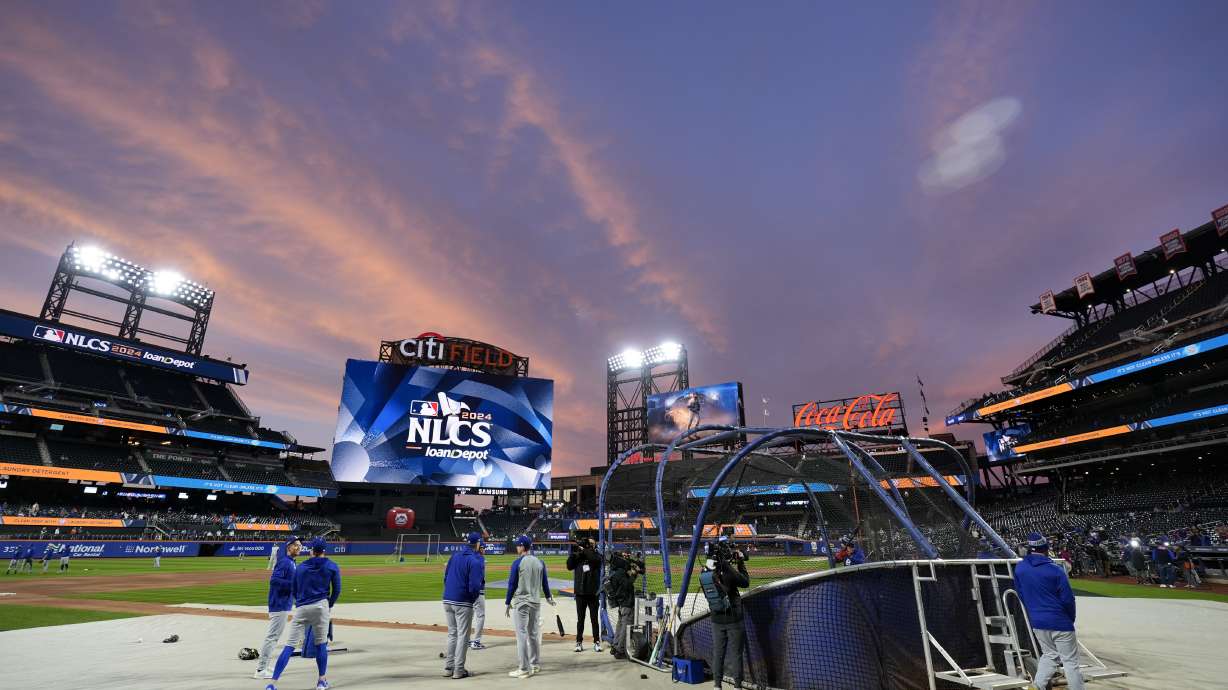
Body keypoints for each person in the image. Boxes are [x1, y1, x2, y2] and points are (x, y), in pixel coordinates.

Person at [266, 537, 340, 690]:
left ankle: (272, 683)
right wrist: (329, 604)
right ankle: (321, 681)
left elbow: (294, 588)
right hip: (321, 607)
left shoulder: (300, 567)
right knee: (321, 646)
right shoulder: (332, 566)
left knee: (289, 646)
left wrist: (299, 602)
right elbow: (337, 590)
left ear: (311, 550)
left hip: (302, 608)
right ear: (324, 550)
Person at [1014, 533, 1083, 690]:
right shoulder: (1056, 570)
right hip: (1060, 621)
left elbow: (1021, 594)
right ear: (1045, 549)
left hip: (1038, 621)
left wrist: (1034, 612)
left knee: (1050, 655)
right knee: (1070, 662)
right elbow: (1068, 600)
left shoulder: (1020, 568)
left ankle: (1036, 686)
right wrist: (1070, 619)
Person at [505, 535, 556, 679]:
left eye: (518, 545)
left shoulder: (517, 562)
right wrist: (548, 598)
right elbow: (545, 583)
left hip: (522, 602)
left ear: (522, 546)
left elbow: (512, 585)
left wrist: (508, 602)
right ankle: (534, 664)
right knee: (533, 635)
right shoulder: (540, 562)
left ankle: (524, 668)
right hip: (535, 602)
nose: (516, 547)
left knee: (521, 635)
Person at [704, 538, 749, 690]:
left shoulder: (706, 571)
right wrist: (741, 563)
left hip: (716, 619)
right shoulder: (727, 569)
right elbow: (745, 582)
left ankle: (717, 685)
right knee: (736, 654)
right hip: (733, 619)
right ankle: (737, 686)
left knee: (718, 654)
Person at [254, 538, 300, 679]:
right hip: (279, 604)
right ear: (289, 547)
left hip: (283, 603)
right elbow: (274, 580)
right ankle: (261, 670)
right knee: (272, 637)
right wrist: (293, 584)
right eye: (296, 545)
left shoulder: (291, 562)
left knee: (274, 637)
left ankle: (265, 666)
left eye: (300, 545)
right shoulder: (285, 562)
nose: (299, 548)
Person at [442, 532, 485, 679]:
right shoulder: (475, 561)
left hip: (447, 600)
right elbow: (475, 586)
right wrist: (472, 599)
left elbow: (446, 576)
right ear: (478, 544)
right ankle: (459, 670)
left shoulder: (454, 556)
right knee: (463, 636)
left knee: (452, 634)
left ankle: (449, 668)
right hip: (462, 601)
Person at [566, 536, 603, 652]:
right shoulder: (580, 555)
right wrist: (575, 551)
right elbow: (569, 565)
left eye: (591, 544)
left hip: (592, 593)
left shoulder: (597, 556)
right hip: (580, 594)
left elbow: (594, 559)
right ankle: (578, 642)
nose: (589, 545)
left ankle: (596, 642)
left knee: (594, 619)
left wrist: (586, 549)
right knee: (580, 619)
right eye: (588, 544)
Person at [605, 552, 637, 660]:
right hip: (626, 603)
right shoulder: (621, 573)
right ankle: (620, 650)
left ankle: (615, 646)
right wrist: (633, 574)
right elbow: (627, 585)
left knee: (620, 625)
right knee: (625, 627)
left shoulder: (615, 573)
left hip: (621, 604)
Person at [470, 539, 488, 651]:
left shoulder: (470, 557)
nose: (484, 549)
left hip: (467, 592)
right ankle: (476, 641)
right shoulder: (480, 558)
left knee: (468, 616)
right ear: (479, 548)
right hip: (478, 591)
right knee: (480, 616)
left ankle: (466, 640)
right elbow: (480, 577)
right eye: (483, 548)